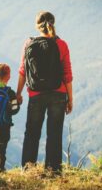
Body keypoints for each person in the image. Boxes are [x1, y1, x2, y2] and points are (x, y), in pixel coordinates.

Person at [16, 11, 73, 174]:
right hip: (58, 93)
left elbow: (22, 71)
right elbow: (67, 74)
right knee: (54, 133)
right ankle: (53, 170)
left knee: (32, 132)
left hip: (36, 94)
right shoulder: (61, 44)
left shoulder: (28, 43)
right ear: (53, 23)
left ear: (37, 25)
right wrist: (70, 99)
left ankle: (28, 170)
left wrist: (18, 93)